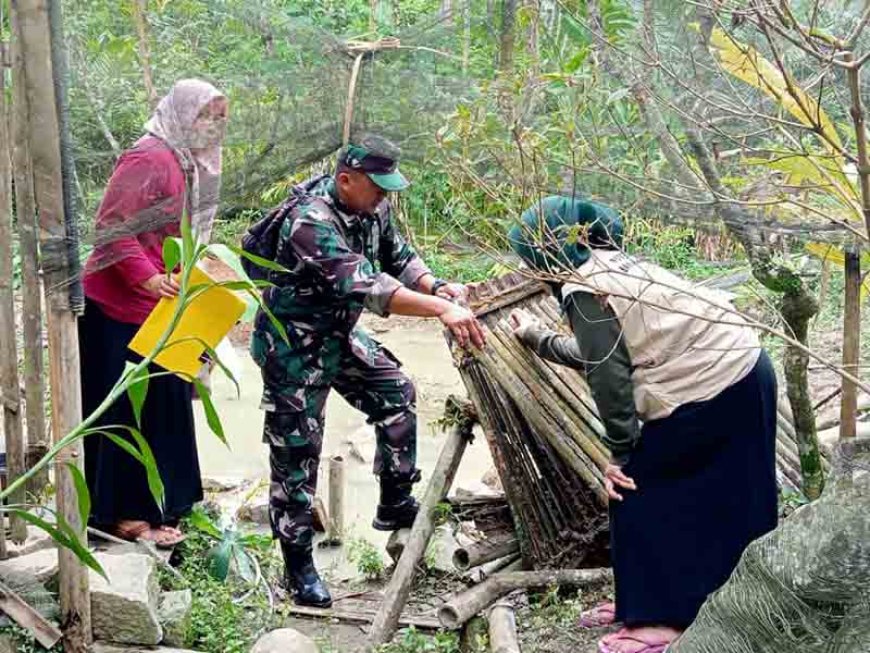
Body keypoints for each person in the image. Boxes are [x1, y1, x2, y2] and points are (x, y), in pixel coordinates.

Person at [507, 196, 778, 653]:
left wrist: (620, 453)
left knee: (632, 488)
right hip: (745, 368)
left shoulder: (582, 285)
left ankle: (659, 620)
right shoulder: (614, 264)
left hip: (712, 382)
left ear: (544, 252)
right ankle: (668, 602)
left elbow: (609, 379)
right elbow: (606, 354)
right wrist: (537, 338)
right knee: (730, 492)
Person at [251, 135, 486, 607]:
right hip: (293, 346)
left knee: (395, 391)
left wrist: (437, 284)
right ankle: (298, 566)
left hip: (339, 334)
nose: (384, 197)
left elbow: (399, 257)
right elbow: (371, 288)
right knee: (298, 453)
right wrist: (440, 309)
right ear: (345, 180)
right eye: (377, 187)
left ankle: (394, 500)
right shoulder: (309, 221)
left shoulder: (372, 207)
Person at [79, 79, 229, 548]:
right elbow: (111, 229)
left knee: (166, 402)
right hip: (119, 306)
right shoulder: (150, 158)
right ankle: (115, 512)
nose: (216, 126)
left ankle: (164, 503)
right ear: (183, 115)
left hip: (161, 305)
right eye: (207, 115)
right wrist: (147, 277)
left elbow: (184, 236)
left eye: (221, 117)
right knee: (122, 407)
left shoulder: (194, 163)